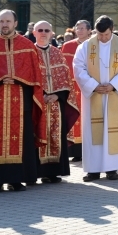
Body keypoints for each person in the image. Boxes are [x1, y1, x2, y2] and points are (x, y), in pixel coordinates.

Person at [0, 9, 45, 193]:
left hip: (20, 99)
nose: (4, 24)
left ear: (16, 23)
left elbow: (35, 76)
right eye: (1, 21)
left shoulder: (27, 45)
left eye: (8, 21)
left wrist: (17, 78)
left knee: (20, 137)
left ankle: (17, 179)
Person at [73, 16, 118, 181]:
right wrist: (93, 85)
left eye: (106, 35)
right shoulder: (86, 46)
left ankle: (112, 169)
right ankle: (93, 170)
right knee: (94, 133)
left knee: (113, 131)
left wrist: (114, 85)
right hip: (94, 96)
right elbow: (78, 68)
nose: (103, 38)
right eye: (100, 35)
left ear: (112, 29)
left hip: (113, 94)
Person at [33, 21, 79, 184]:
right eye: (40, 30)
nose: (43, 33)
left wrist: (57, 95)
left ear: (52, 33)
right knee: (36, 134)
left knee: (55, 135)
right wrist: (42, 95)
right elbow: (29, 78)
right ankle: (36, 172)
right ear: (34, 33)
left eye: (47, 30)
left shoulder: (57, 53)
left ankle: (53, 172)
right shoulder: (30, 52)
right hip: (37, 103)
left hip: (56, 103)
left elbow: (66, 79)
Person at [61, 19, 90, 161]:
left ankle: (88, 148)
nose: (79, 30)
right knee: (73, 116)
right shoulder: (67, 46)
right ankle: (74, 151)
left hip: (88, 88)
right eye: (77, 27)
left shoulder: (93, 45)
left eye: (82, 28)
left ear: (89, 30)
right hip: (72, 88)